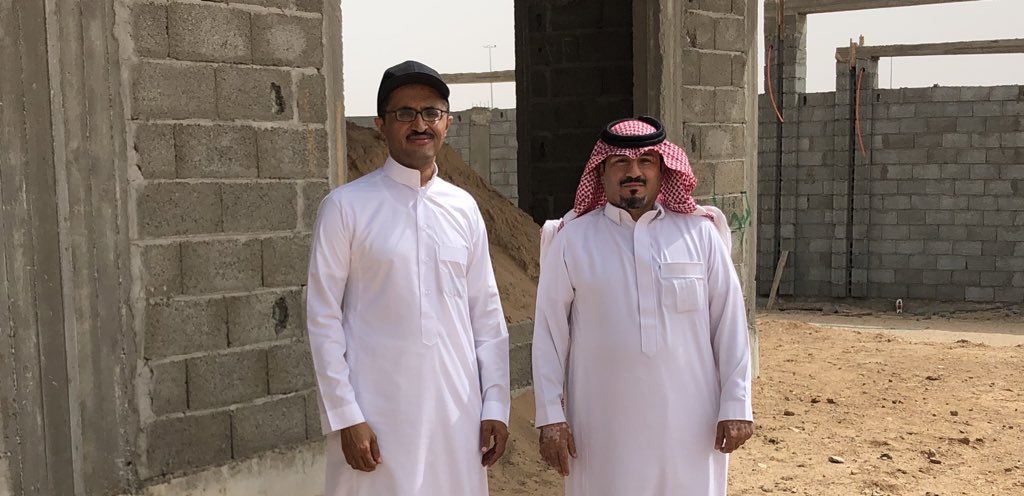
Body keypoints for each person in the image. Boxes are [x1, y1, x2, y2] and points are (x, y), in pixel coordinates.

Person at [306, 60, 510, 496]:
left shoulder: (464, 208)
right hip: (377, 417)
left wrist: (495, 403)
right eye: (405, 113)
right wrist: (345, 416)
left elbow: (487, 316)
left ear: (447, 122)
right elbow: (322, 318)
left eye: (431, 113)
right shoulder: (345, 207)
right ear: (381, 124)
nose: (420, 124)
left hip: (456, 415)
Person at [532, 116, 754, 496]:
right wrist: (551, 416)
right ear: (601, 172)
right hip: (601, 428)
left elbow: (729, 324)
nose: (633, 172)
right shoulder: (571, 240)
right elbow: (549, 334)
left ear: (662, 170)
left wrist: (736, 404)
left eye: (645, 162)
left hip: (691, 424)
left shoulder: (700, 234)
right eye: (620, 162)